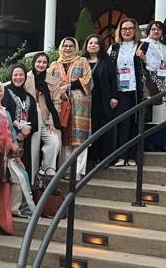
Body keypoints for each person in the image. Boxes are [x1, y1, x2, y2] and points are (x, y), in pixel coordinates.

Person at [0, 81, 31, 235]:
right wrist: (11, 147)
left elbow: (11, 134)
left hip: (5, 157)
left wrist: (15, 153)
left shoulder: (5, 111)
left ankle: (3, 219)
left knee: (3, 189)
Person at [48, 37, 93, 177]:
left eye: (71, 46)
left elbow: (88, 80)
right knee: (64, 136)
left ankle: (78, 171)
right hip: (61, 102)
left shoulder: (82, 61)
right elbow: (48, 82)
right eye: (65, 46)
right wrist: (59, 91)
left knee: (80, 137)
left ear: (76, 48)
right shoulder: (55, 64)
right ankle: (66, 170)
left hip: (80, 104)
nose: (68, 48)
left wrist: (69, 86)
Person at [108, 18, 145, 166]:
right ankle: (121, 156)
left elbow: (155, 66)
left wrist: (144, 58)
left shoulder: (143, 45)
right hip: (120, 90)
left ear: (135, 30)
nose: (127, 31)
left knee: (136, 122)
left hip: (137, 90)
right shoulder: (114, 48)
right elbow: (109, 69)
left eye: (130, 28)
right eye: (124, 29)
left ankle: (132, 156)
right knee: (123, 122)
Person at [81, 34, 118, 167]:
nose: (93, 45)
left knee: (103, 128)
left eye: (96, 43)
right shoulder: (81, 61)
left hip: (103, 100)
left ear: (101, 46)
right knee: (89, 128)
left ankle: (105, 158)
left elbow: (113, 80)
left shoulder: (106, 61)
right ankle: (92, 158)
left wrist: (114, 97)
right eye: (90, 43)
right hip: (84, 101)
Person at [25, 52, 62, 177]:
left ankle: (45, 172)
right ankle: (32, 179)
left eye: (44, 62)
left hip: (47, 117)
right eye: (39, 62)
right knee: (33, 150)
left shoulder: (53, 81)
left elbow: (56, 103)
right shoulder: (26, 77)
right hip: (31, 118)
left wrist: (51, 121)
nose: (41, 64)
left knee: (54, 142)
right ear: (34, 63)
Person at [3, 64, 39, 180]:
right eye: (15, 75)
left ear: (25, 77)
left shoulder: (29, 96)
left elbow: (34, 119)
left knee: (24, 169)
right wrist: (18, 129)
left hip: (25, 139)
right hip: (9, 137)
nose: (18, 77)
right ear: (11, 76)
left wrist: (25, 132)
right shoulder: (5, 92)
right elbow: (3, 112)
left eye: (21, 75)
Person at [141, 21, 166, 152]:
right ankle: (149, 142)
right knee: (153, 110)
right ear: (149, 30)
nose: (156, 31)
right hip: (150, 80)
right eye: (153, 29)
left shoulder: (165, 47)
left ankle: (161, 141)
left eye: (159, 30)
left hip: (164, 79)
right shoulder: (144, 43)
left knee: (164, 111)